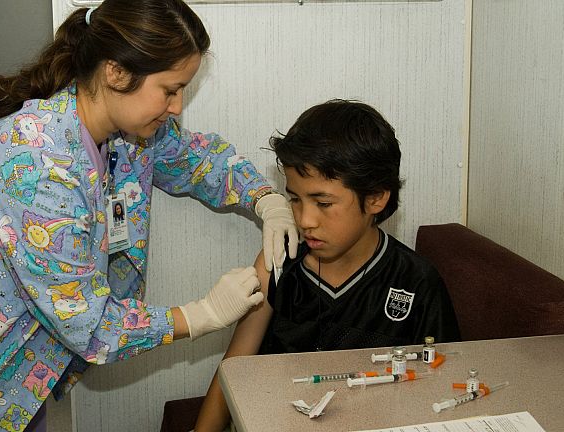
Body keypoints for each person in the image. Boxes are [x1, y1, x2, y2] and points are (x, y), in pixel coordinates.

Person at [0, 1, 300, 431]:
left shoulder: (123, 134)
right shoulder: (39, 166)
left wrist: (267, 199)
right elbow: (85, 321)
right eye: (170, 89)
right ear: (116, 72)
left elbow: (195, 159)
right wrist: (200, 314)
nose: (177, 107)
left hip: (6, 376)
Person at [194, 100, 461, 431]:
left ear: (377, 197)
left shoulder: (416, 282)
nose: (305, 220)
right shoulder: (278, 262)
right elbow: (234, 369)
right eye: (294, 198)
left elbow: (439, 383)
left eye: (323, 203)